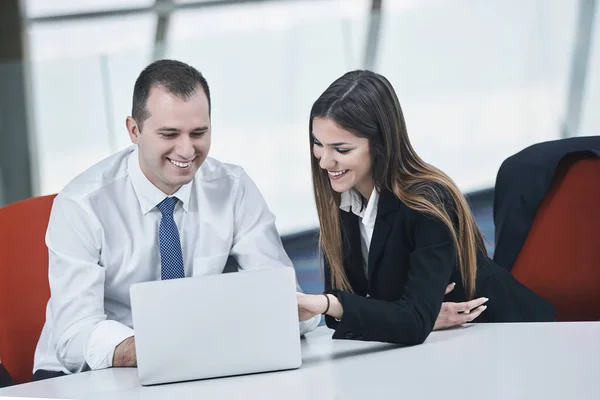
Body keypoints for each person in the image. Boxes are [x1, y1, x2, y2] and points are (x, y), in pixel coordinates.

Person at [32, 59, 319, 380]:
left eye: (199, 133)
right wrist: (162, 348)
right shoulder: (82, 204)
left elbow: (283, 297)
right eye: (169, 134)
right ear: (133, 130)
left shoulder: (233, 187)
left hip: (198, 361)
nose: (186, 150)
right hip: (87, 373)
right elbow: (74, 336)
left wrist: (292, 311)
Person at [296, 70, 555, 345]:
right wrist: (411, 317)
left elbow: (406, 321)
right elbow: (344, 320)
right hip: (449, 349)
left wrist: (410, 318)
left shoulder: (427, 202)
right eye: (318, 144)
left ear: (380, 144)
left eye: (341, 149)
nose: (324, 162)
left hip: (516, 338)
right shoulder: (345, 202)